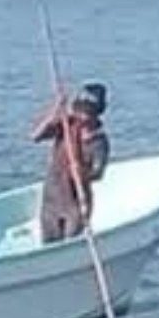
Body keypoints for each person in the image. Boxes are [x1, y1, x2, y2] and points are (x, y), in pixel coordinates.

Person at [33, 82, 111, 243]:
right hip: (52, 199)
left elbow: (98, 173)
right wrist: (56, 109)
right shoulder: (66, 126)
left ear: (96, 114)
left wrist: (81, 171)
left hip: (75, 202)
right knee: (49, 245)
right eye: (79, 110)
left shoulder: (99, 141)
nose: (82, 116)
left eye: (87, 113)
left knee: (69, 243)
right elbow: (36, 136)